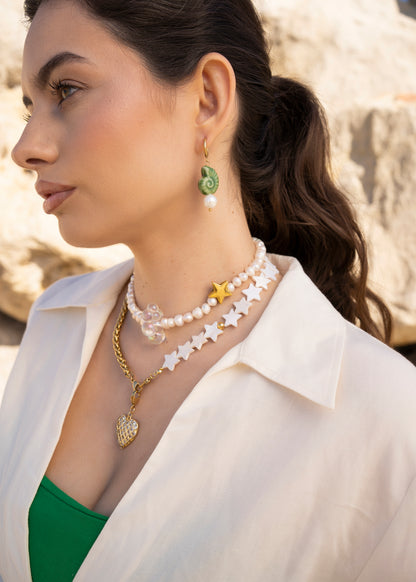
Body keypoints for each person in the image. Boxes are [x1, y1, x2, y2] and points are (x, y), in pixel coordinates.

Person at [0, 0, 415, 580]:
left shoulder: (386, 416)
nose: (25, 148)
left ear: (208, 100)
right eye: (29, 107)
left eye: (66, 90)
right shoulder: (55, 323)